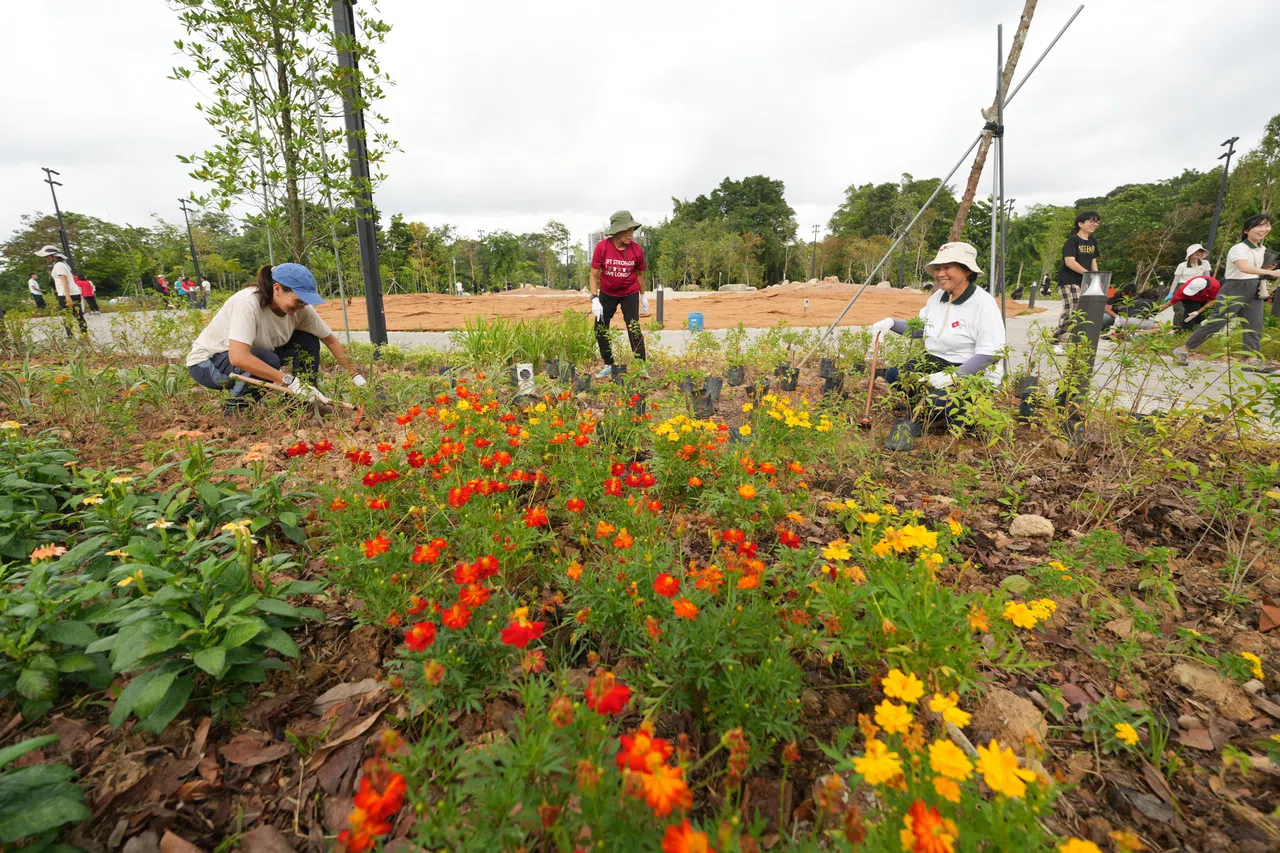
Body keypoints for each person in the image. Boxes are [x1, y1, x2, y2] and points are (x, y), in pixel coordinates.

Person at [186, 263, 368, 415]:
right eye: (298, 301)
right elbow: (238, 357)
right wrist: (291, 381)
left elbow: (330, 340)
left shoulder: (301, 310)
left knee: (308, 340)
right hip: (208, 364)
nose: (301, 306)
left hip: (250, 357)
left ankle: (301, 404)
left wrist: (356, 376)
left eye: (305, 302)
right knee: (268, 360)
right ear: (277, 289)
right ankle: (235, 411)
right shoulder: (247, 303)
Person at [868, 241, 1006, 438]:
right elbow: (923, 329)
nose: (940, 273)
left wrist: (954, 376)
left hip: (972, 370)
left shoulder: (983, 304)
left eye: (948, 267)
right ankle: (931, 408)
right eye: (938, 268)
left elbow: (990, 353)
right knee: (895, 376)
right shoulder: (937, 298)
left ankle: (951, 414)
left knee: (938, 401)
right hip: (937, 360)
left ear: (967, 271)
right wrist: (891, 323)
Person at [1173, 214, 1279, 371]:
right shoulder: (1238, 248)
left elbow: (1253, 270)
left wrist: (1265, 270)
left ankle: (1250, 359)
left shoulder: (1262, 249)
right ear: (1246, 230)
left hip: (1254, 288)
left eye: (1267, 225)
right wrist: (1272, 273)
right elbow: (1243, 267)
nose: (1264, 229)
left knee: (1254, 325)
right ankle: (1183, 350)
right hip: (1234, 288)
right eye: (1259, 226)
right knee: (1217, 322)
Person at [589, 210, 650, 378]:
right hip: (607, 294)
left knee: (634, 328)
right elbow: (594, 275)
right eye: (627, 230)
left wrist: (643, 297)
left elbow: (639, 274)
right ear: (617, 231)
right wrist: (594, 299)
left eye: (632, 230)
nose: (631, 234)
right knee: (600, 328)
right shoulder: (602, 247)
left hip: (629, 293)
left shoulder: (636, 250)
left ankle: (641, 365)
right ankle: (609, 363)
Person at [1051, 211, 1101, 353]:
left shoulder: (1092, 242)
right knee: (1073, 310)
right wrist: (1089, 274)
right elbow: (1070, 262)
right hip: (1068, 281)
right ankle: (1058, 340)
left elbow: (1093, 260)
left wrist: (1096, 278)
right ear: (1080, 223)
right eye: (1091, 221)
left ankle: (1067, 340)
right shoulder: (1073, 241)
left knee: (1080, 312)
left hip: (1084, 282)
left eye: (1096, 222)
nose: (1094, 224)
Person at [33, 245, 87, 337]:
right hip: (74, 292)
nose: (47, 258)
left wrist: (67, 297)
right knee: (78, 315)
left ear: (52, 256)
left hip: (66, 294)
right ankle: (84, 334)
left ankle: (70, 337)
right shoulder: (63, 263)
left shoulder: (58, 265)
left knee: (67, 316)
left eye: (47, 256)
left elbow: (64, 281)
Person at [1163, 244, 1211, 328]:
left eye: (1200, 252)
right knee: (1179, 309)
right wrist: (1171, 293)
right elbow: (1176, 280)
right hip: (1183, 287)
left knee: (1198, 309)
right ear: (1190, 253)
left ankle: (1194, 327)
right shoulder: (1182, 265)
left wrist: (1209, 289)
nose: (1197, 254)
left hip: (1199, 288)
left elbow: (1208, 277)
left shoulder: (1205, 263)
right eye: (1195, 252)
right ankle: (1177, 328)